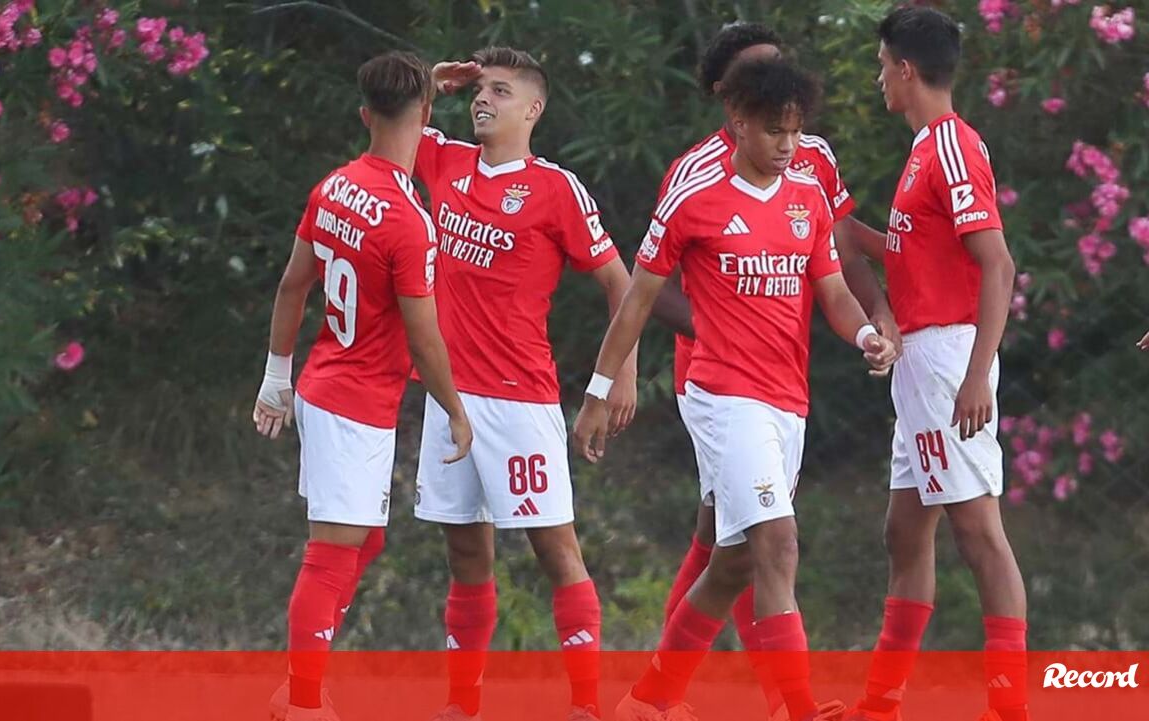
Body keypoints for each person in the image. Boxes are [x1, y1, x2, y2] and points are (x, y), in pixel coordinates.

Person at [573, 59, 898, 721]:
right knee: (779, 542)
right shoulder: (696, 196)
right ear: (739, 122)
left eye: (796, 131)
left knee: (734, 564)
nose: (788, 145)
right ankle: (799, 707)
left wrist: (867, 334)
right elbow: (638, 299)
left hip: (786, 400)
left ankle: (649, 698)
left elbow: (833, 292)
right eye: (775, 130)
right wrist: (599, 390)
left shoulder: (806, 196)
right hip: (722, 395)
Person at [412, 47, 637, 721]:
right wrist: (430, 85)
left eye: (501, 90)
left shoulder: (555, 188)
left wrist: (616, 378)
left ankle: (586, 704)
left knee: (555, 549)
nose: (483, 99)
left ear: (533, 109)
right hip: (449, 398)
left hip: (519, 401)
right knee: (464, 550)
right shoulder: (445, 160)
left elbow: (621, 283)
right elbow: (390, 123)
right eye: (480, 89)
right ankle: (462, 704)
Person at [252, 51, 473, 721]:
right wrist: (455, 409)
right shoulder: (410, 219)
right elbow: (424, 337)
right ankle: (303, 699)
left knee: (364, 541)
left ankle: (302, 681)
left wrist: (275, 377)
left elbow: (292, 285)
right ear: (426, 116)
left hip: (330, 389)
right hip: (353, 405)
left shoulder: (334, 187)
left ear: (363, 115)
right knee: (331, 554)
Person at [845, 8, 1027, 721]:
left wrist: (978, 374)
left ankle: (1008, 706)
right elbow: (915, 253)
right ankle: (881, 702)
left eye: (881, 66)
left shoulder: (952, 145)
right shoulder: (925, 149)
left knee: (978, 533)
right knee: (904, 532)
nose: (879, 78)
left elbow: (998, 264)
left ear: (906, 69)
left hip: (950, 357)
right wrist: (843, 227)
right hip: (921, 363)